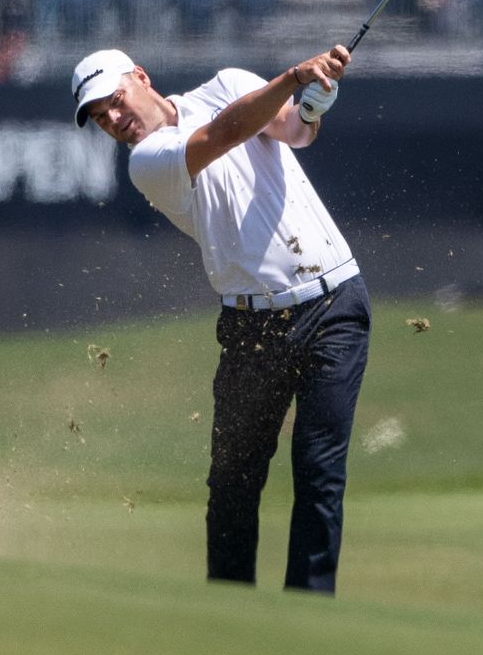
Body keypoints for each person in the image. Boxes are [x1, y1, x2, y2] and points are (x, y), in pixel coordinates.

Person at [71, 44, 366, 594]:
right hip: (252, 327)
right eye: (100, 117)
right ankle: (230, 611)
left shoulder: (229, 82)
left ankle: (309, 609)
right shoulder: (147, 160)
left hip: (334, 304)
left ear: (141, 77)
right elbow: (224, 134)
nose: (113, 118)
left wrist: (310, 107)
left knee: (319, 471)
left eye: (114, 99)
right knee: (234, 482)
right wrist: (294, 78)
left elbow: (293, 132)